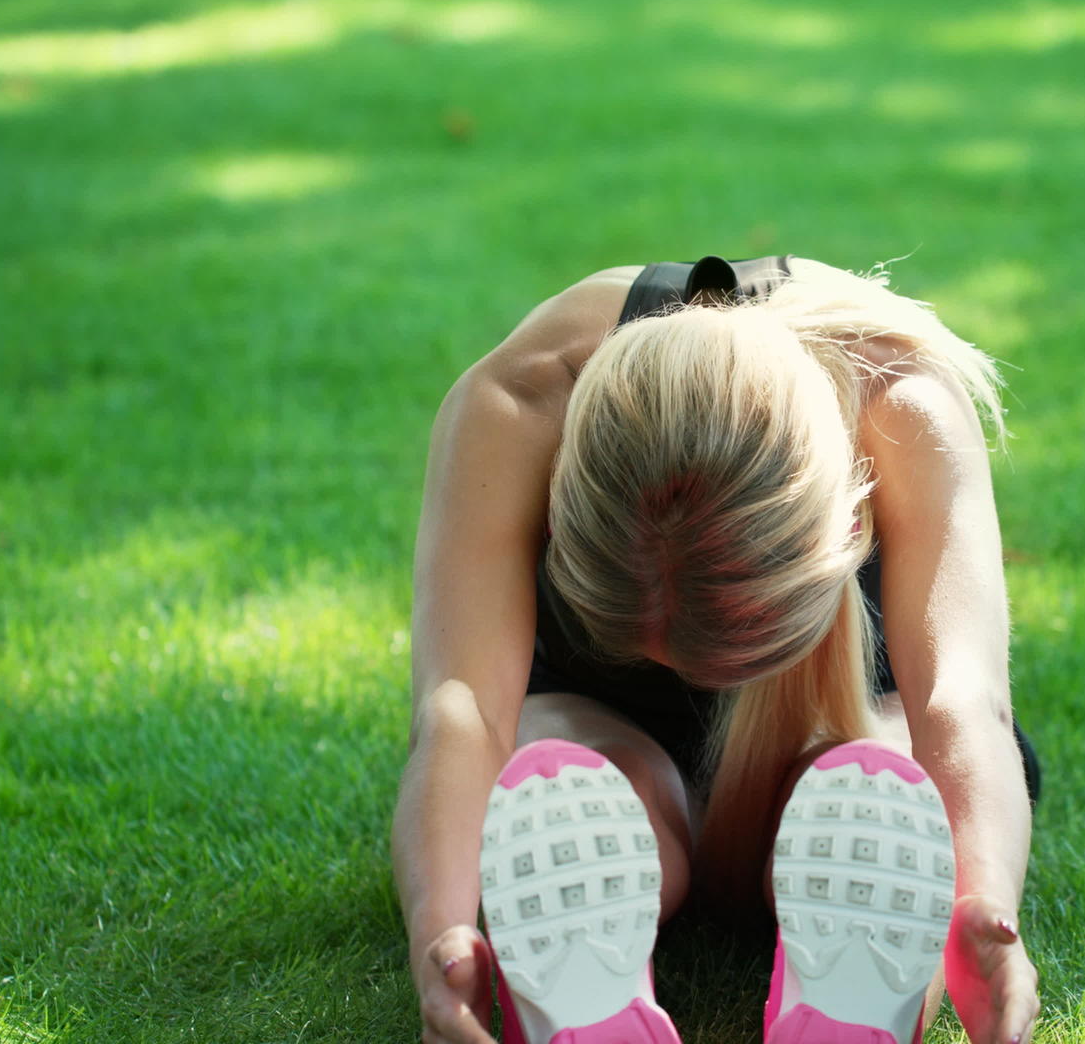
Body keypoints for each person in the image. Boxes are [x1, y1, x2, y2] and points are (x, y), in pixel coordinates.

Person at [392, 255, 1042, 1044]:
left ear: (845, 527)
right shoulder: (519, 402)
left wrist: (980, 903)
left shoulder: (901, 400)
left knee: (884, 773)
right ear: (562, 509)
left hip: (838, 717)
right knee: (553, 768)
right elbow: (463, 706)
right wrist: (441, 936)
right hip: (600, 703)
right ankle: (618, 828)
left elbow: (960, 700)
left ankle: (837, 848)